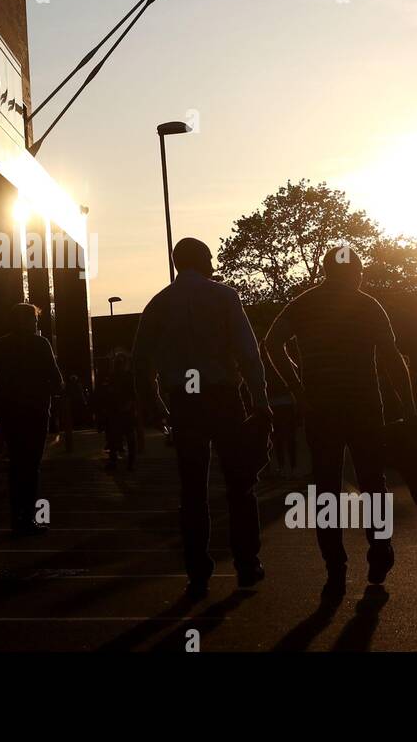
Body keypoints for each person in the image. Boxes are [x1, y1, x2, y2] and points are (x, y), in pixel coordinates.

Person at [264, 246, 416, 597]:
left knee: (326, 486)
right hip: (364, 404)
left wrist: (299, 389)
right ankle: (380, 549)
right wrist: (409, 407)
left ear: (325, 270)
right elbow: (392, 358)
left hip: (321, 407)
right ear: (356, 272)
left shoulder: (302, 305)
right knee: (371, 480)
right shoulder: (368, 306)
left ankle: (335, 568)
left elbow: (271, 344)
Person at [133, 238, 272, 598]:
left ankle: (197, 569)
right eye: (210, 258)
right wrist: (260, 399)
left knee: (193, 489)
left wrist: (156, 405)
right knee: (240, 484)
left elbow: (140, 360)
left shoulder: (159, 303)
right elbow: (248, 353)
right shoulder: (225, 297)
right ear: (203, 259)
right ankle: (246, 562)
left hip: (185, 401)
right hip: (224, 396)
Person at [0, 304, 64, 535]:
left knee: (16, 464)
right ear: (28, 321)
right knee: (31, 466)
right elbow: (56, 380)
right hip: (36, 412)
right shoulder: (41, 345)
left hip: (9, 413)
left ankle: (16, 518)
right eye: (35, 321)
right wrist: (52, 389)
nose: (37, 325)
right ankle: (28, 518)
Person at [98, 351, 140, 471]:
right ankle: (127, 462)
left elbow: (108, 394)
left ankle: (115, 461)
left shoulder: (114, 376)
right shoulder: (127, 376)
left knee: (115, 437)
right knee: (125, 437)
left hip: (119, 411)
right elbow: (132, 394)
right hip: (122, 411)